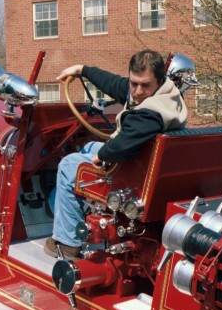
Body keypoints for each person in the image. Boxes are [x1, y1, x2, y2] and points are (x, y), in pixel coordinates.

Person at [45, 49, 189, 259]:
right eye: (134, 83)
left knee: (68, 165)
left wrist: (102, 155)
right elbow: (115, 84)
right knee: (87, 147)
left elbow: (124, 145)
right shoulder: (164, 93)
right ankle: (66, 209)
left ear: (159, 80)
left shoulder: (151, 113)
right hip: (145, 163)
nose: (138, 91)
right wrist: (82, 70)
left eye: (145, 85)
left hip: (130, 171)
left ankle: (67, 243)